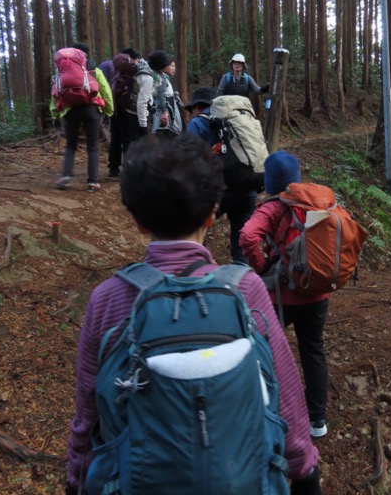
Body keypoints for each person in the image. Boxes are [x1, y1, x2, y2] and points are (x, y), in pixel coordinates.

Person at [65, 133, 322, 494]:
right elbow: (285, 392)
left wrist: (77, 475)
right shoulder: (245, 290)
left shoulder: (109, 299)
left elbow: (89, 410)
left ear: (138, 221)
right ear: (212, 215)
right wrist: (304, 470)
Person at [239, 151, 331, 439]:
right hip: (317, 293)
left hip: (282, 297)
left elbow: (247, 236)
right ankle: (317, 420)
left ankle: (271, 413)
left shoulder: (272, 208)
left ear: (269, 180)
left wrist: (261, 264)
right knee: (313, 350)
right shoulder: (317, 200)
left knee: (267, 350)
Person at [186, 86, 258, 265]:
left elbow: (189, 162)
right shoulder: (239, 119)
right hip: (246, 188)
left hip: (216, 193)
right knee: (241, 245)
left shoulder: (196, 123)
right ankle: (243, 283)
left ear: (196, 107)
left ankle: (201, 273)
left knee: (195, 232)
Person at [53, 42, 113, 193]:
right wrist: (109, 110)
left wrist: (55, 113)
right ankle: (92, 182)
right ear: (86, 54)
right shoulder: (93, 69)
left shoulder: (62, 71)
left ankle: (66, 176)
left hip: (70, 110)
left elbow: (55, 94)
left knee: (70, 145)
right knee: (92, 147)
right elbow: (105, 90)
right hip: (91, 109)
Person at [106, 48, 153, 178]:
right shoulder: (135, 70)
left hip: (116, 109)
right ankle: (129, 169)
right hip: (129, 110)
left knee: (115, 138)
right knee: (128, 139)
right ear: (133, 58)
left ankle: (113, 168)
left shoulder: (117, 70)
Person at [146, 49, 185, 135]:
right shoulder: (159, 79)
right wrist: (164, 111)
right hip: (166, 107)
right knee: (166, 131)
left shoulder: (159, 76)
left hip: (167, 105)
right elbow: (161, 95)